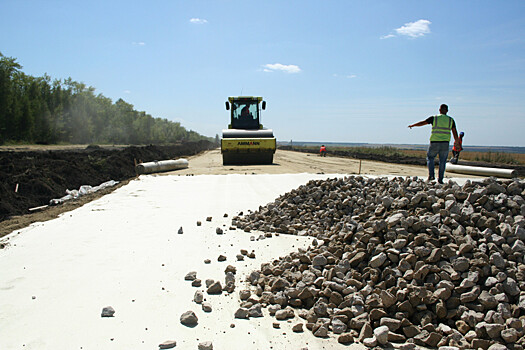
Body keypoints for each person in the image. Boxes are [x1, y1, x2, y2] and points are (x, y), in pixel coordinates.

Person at [408, 104, 460, 184]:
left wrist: (413, 125)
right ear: (447, 110)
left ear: (439, 110)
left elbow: (423, 123)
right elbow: (454, 132)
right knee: (442, 161)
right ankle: (440, 179)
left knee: (430, 158)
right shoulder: (451, 120)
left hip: (434, 142)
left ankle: (431, 176)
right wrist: (457, 142)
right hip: (445, 143)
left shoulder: (434, 118)